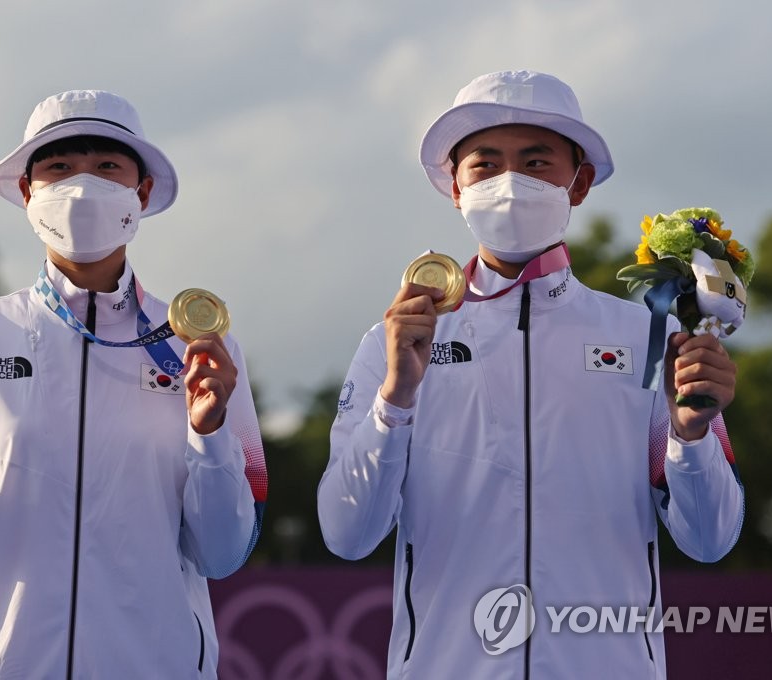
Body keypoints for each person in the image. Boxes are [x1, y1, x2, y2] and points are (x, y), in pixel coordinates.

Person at [317, 70, 744, 678]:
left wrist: (692, 437)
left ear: (581, 181)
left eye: (537, 161)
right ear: (454, 187)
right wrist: (396, 400)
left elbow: (711, 539)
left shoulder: (649, 341)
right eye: (485, 164)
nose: (510, 182)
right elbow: (346, 533)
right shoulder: (396, 344)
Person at [0, 90, 267, 679]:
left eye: (107, 167)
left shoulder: (199, 348)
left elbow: (223, 552)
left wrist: (210, 433)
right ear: (28, 192)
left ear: (141, 192)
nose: (82, 184)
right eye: (60, 166)